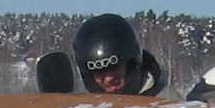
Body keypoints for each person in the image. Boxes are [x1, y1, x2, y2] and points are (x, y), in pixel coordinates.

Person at [38, 14, 167, 96]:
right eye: (98, 72)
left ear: (132, 63)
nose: (108, 79)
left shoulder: (169, 107)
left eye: (113, 68)